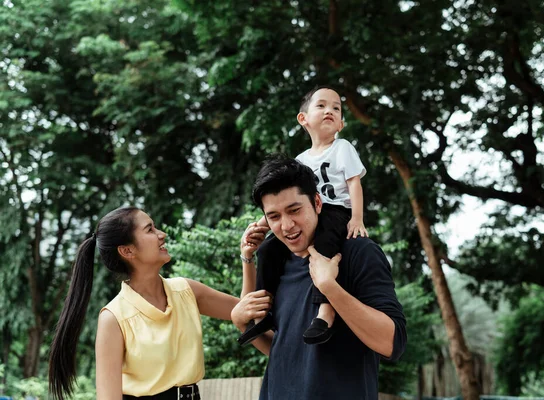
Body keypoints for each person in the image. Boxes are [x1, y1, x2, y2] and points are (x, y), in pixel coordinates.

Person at [232, 155, 407, 400]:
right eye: (274, 216)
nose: (287, 225)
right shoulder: (276, 263)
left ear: (317, 202)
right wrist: (243, 323)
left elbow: (392, 343)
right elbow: (286, 351)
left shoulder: (359, 252)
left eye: (294, 210)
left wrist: (329, 287)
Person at [48, 206, 258, 400]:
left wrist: (247, 257)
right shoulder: (113, 318)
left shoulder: (186, 291)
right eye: (150, 229)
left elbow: (245, 310)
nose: (162, 234)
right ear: (127, 251)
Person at [238, 85, 369, 346]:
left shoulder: (342, 148)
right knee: (268, 250)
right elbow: (288, 202)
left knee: (324, 247)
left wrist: (357, 218)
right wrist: (264, 224)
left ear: (341, 123)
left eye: (336, 108)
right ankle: (264, 311)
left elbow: (354, 183)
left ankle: (325, 313)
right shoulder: (301, 160)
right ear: (303, 119)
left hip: (336, 211)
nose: (329, 110)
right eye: (321, 106)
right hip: (311, 213)